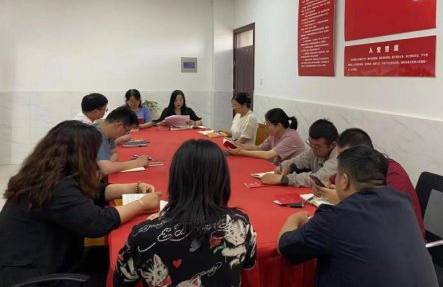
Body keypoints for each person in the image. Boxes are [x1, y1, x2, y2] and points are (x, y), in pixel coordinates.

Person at [0, 121, 161, 287]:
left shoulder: (46, 174)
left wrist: (134, 187)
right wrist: (142, 204)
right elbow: (98, 222)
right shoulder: (57, 187)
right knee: (125, 275)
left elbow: (95, 191)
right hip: (32, 277)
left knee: (124, 258)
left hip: (44, 260)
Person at [277, 146, 438, 287]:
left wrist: (294, 219)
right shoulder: (402, 202)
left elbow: (285, 247)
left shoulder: (335, 218)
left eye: (337, 176)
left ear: (344, 181)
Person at [113, 139, 256, 287]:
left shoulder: (144, 235)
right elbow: (248, 265)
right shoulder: (241, 223)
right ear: (223, 179)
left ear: (175, 178)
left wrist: (156, 223)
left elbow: (121, 281)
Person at [312, 128, 425, 236]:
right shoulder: (356, 170)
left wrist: (344, 200)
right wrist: (324, 186)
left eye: (346, 158)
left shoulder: (392, 172)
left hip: (399, 238)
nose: (343, 163)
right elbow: (331, 180)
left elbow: (384, 216)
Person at [261, 119, 338, 187]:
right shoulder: (314, 149)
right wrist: (285, 167)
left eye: (317, 146)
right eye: (310, 143)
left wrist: (285, 179)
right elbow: (298, 160)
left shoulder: (339, 157)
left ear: (332, 144)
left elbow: (318, 178)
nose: (313, 149)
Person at [229, 108, 305, 164]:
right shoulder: (274, 134)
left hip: (294, 173)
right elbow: (259, 148)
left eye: (268, 125)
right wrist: (239, 145)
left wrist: (242, 152)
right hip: (281, 168)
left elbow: (268, 155)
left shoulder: (291, 137)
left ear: (279, 125)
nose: (266, 128)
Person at [96, 106, 150, 175]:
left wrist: (109, 165)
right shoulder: (97, 135)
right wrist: (138, 163)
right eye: (126, 131)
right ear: (118, 125)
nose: (125, 134)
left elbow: (114, 153)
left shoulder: (109, 134)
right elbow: (107, 169)